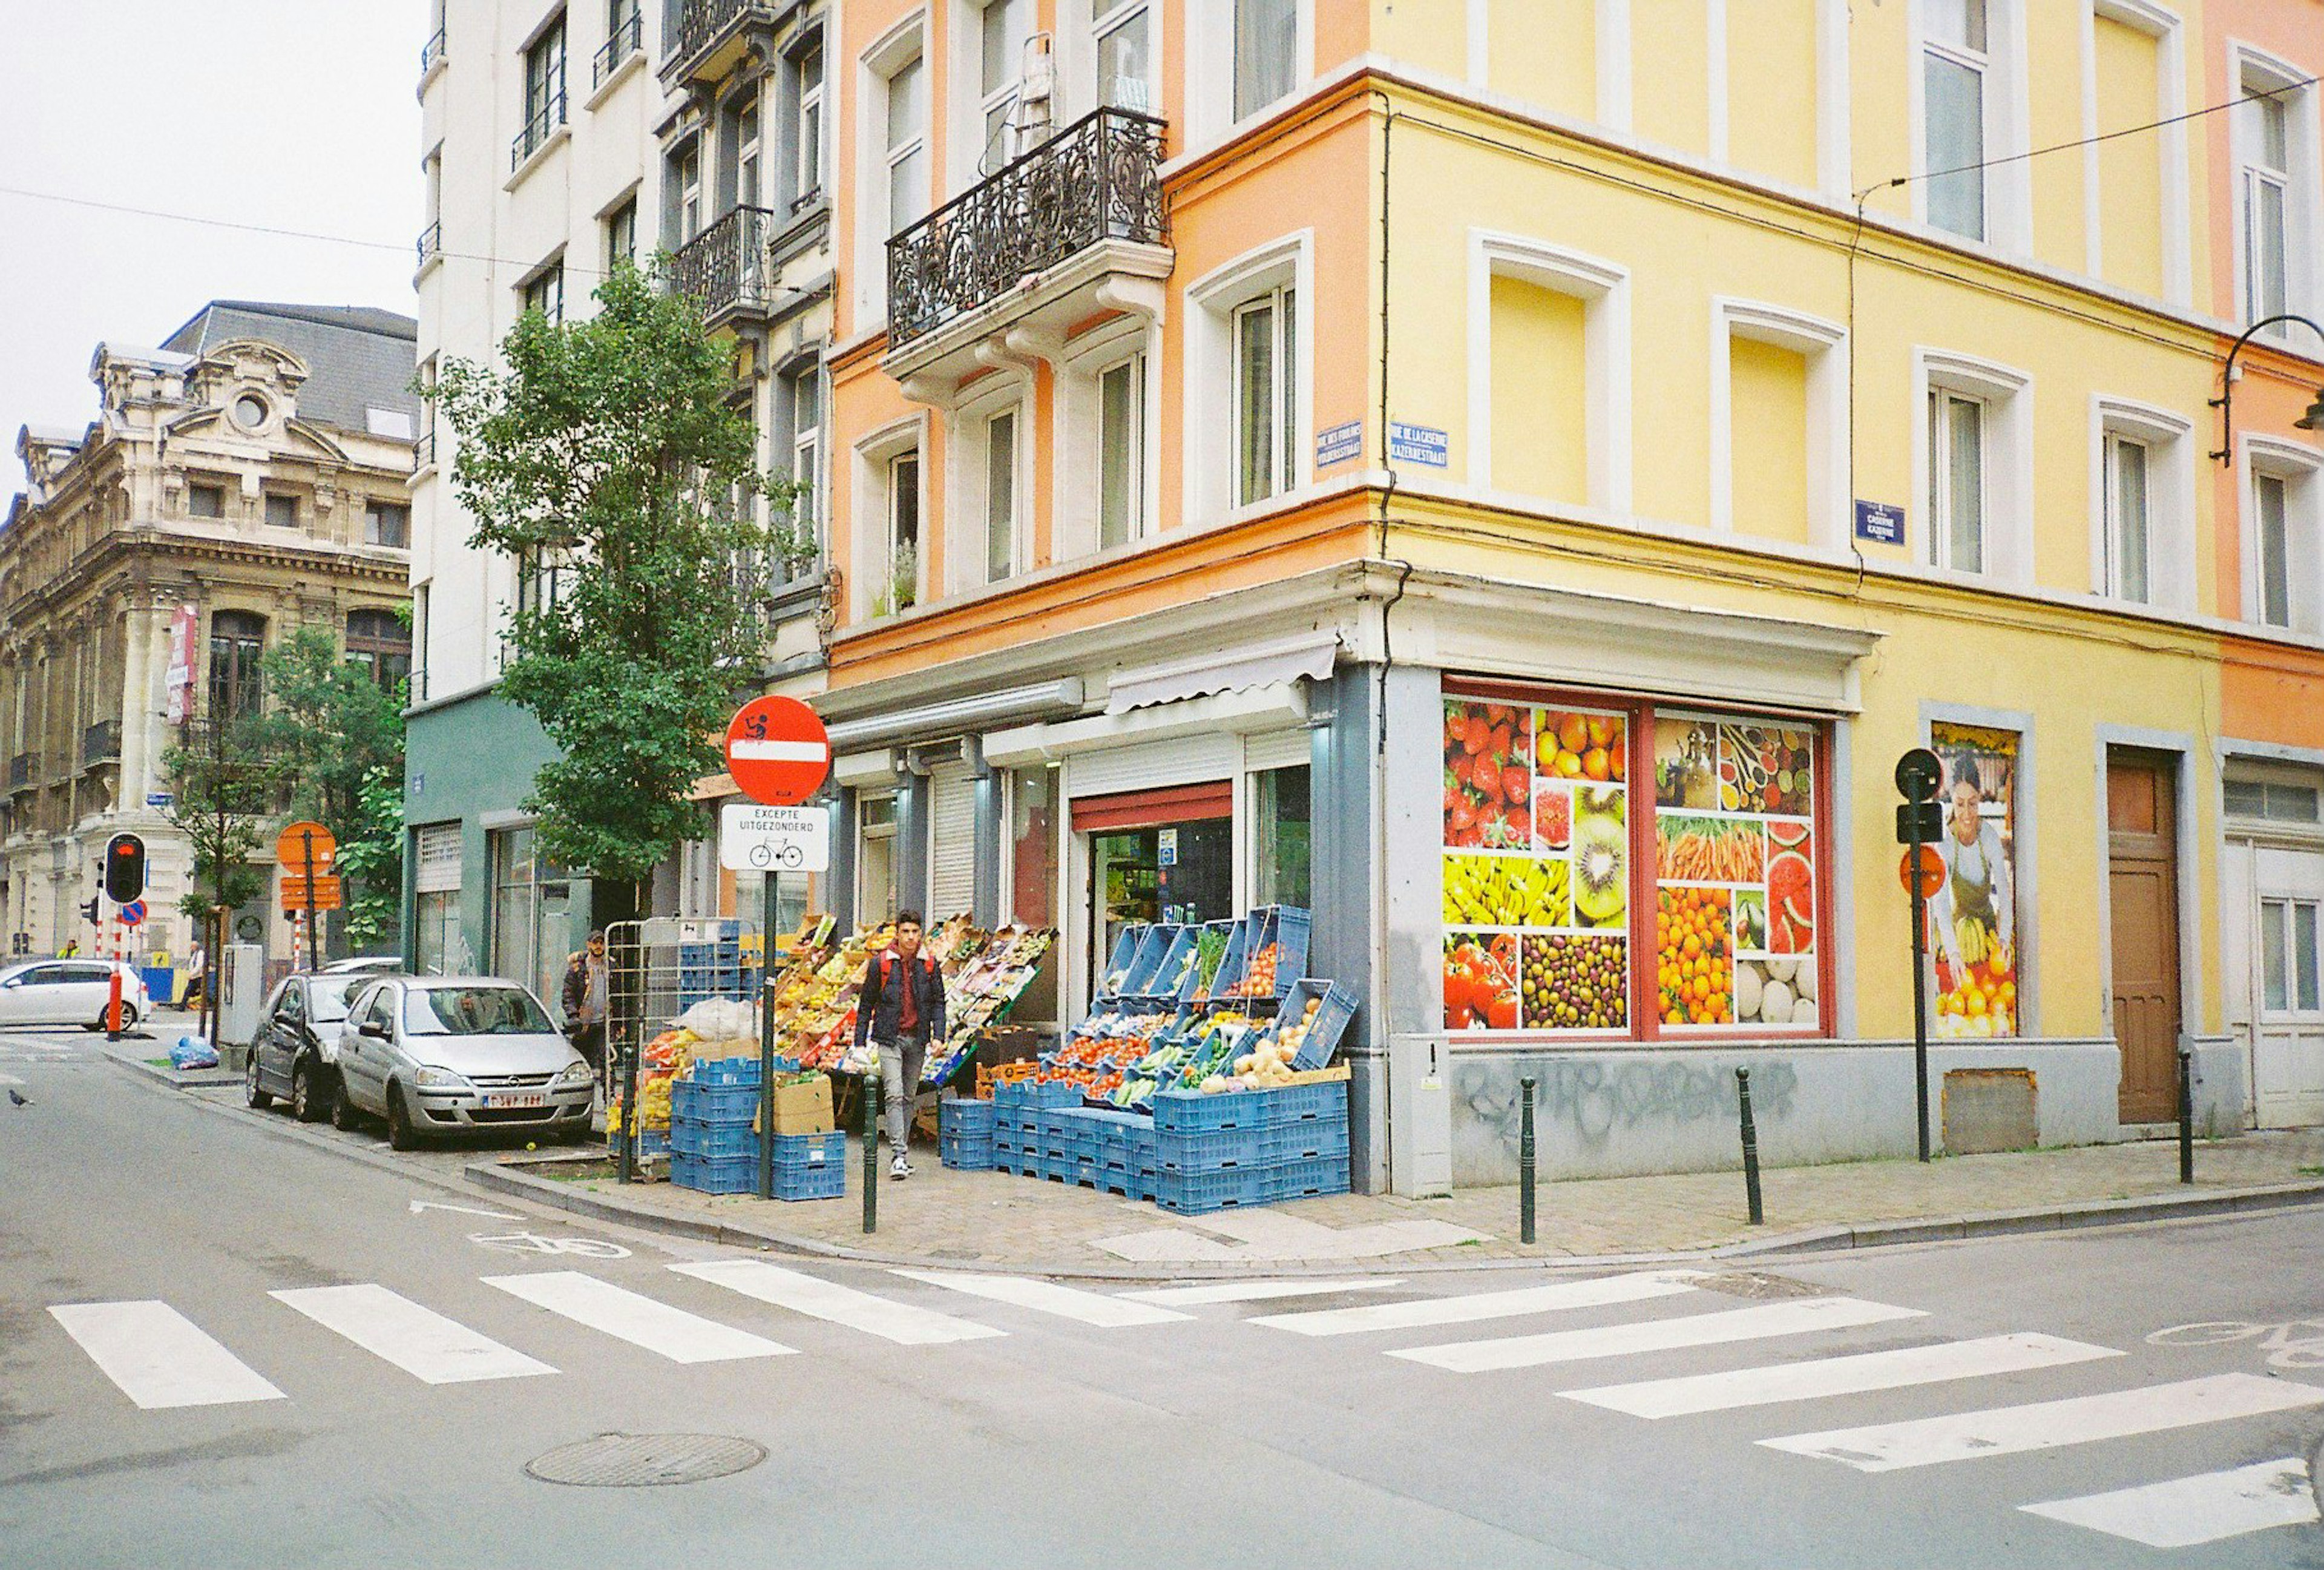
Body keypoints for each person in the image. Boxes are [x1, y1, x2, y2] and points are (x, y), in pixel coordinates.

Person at [851, 911, 947, 1181]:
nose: (911, 937)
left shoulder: (929, 965)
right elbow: (866, 1004)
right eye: (905, 932)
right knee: (893, 1093)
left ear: (921, 934)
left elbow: (939, 1002)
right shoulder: (880, 963)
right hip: (889, 1037)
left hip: (917, 1038)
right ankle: (899, 1155)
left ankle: (901, 1154)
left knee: (908, 1097)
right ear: (897, 934)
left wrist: (938, 1034)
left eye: (915, 932)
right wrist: (859, 1041)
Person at [560, 930, 610, 1085]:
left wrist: (619, 1022)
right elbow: (568, 994)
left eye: (601, 943)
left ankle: (610, 1097)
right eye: (595, 943)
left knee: (607, 1061)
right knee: (579, 1061)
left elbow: (617, 992)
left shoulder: (611, 967)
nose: (599, 946)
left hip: (603, 1022)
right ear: (588, 945)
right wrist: (573, 1015)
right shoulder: (577, 969)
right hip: (583, 1024)